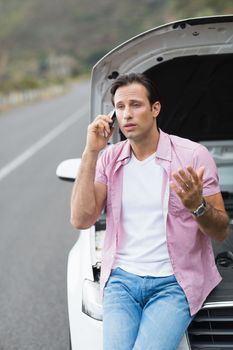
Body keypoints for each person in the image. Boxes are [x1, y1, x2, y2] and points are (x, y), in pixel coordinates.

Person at [70, 73, 229, 350]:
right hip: (121, 282)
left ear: (155, 108)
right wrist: (90, 152)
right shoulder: (109, 158)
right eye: (120, 107)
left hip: (173, 283)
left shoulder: (192, 155)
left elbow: (220, 230)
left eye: (135, 105)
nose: (127, 114)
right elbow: (81, 219)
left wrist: (197, 206)